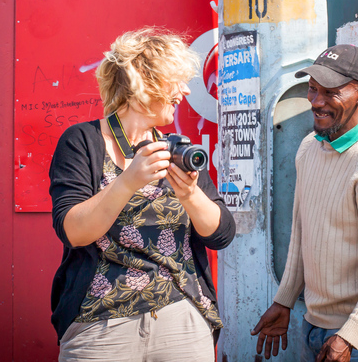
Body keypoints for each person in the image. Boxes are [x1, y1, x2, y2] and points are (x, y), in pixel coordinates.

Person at [49, 28, 236, 362]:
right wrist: (126, 182)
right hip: (102, 324)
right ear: (144, 82)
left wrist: (191, 194)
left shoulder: (176, 147)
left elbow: (221, 235)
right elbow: (73, 232)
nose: (186, 90)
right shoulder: (82, 141)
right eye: (176, 81)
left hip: (181, 319)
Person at [251, 44, 358, 362]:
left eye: (331, 92)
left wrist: (350, 335)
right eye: (312, 89)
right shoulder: (309, 148)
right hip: (316, 325)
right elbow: (301, 232)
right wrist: (284, 301)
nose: (317, 102)